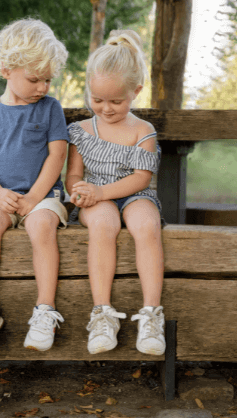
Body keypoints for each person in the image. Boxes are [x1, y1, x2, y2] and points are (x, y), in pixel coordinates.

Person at [0, 18, 69, 352]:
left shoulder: (51, 109)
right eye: (35, 79)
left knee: (41, 228)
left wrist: (35, 197)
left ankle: (44, 309)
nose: (43, 87)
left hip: (43, 196)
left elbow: (57, 156)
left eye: (48, 79)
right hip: (0, 195)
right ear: (7, 69)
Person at [65, 29, 165, 356]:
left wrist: (101, 190)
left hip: (132, 193)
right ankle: (102, 313)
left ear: (135, 91)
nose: (106, 109)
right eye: (97, 100)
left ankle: (151, 313)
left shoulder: (142, 131)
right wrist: (79, 191)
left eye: (116, 101)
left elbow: (141, 179)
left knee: (146, 225)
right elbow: (75, 174)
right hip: (96, 200)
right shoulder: (81, 131)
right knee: (104, 225)